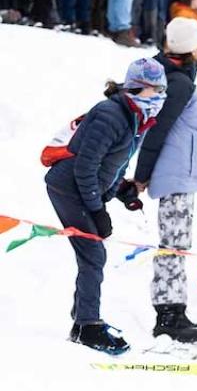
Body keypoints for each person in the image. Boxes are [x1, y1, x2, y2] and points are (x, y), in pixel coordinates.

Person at [45, 57, 167, 354]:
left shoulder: (138, 118)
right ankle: (87, 325)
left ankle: (82, 321)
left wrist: (118, 191)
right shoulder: (110, 114)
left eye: (162, 89)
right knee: (93, 254)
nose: (159, 96)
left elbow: (115, 163)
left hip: (83, 189)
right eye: (154, 89)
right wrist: (97, 210)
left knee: (93, 253)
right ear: (136, 88)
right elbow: (85, 166)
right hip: (66, 186)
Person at [130, 18, 197, 343]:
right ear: (192, 48)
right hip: (176, 173)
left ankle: (175, 310)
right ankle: (168, 315)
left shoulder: (175, 76)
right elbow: (158, 130)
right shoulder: (179, 82)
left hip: (179, 172)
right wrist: (142, 175)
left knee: (177, 243)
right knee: (174, 244)